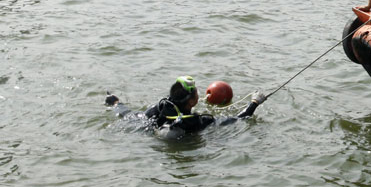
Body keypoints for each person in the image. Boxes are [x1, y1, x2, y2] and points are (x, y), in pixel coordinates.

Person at [105, 76, 266, 138]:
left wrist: (117, 104)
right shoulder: (198, 121)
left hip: (144, 129)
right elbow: (239, 118)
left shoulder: (160, 107)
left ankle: (113, 101)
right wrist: (255, 102)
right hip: (179, 138)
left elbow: (130, 116)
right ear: (191, 102)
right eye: (196, 92)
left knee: (134, 116)